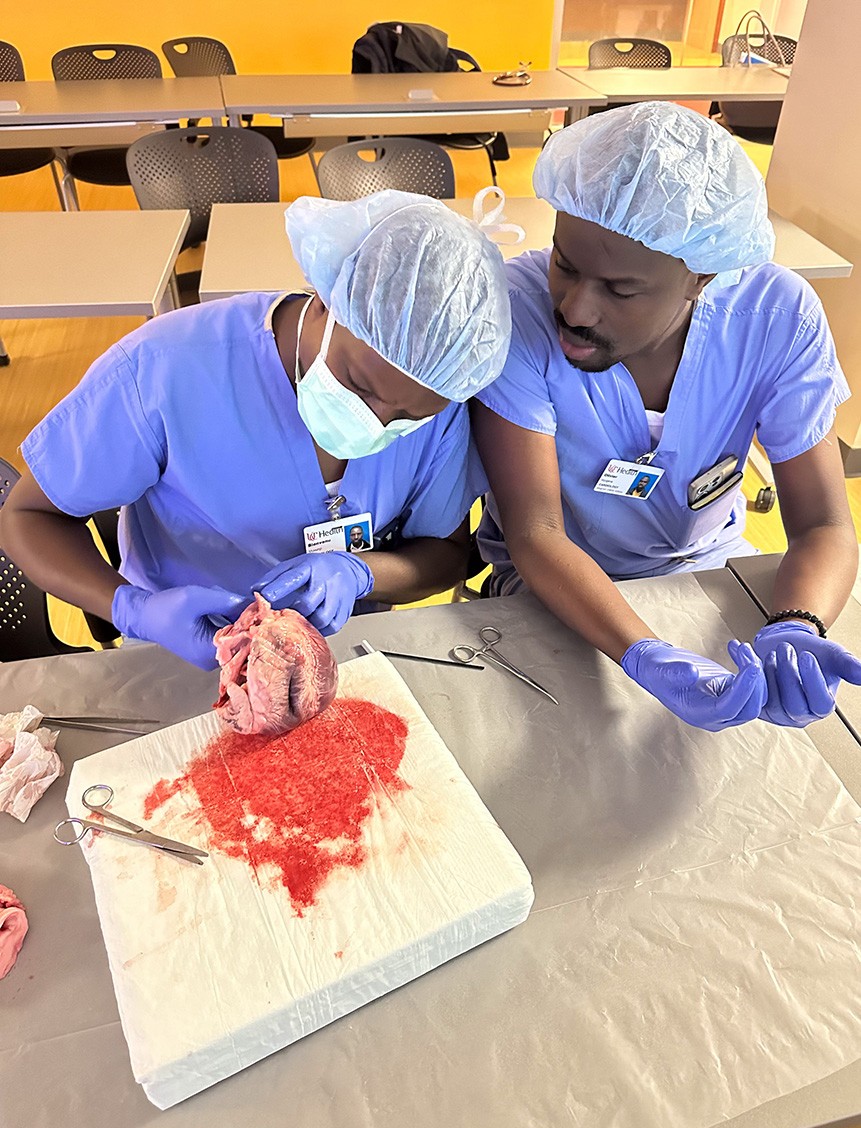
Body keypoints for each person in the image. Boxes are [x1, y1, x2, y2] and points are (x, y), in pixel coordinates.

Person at [472, 102, 861, 732]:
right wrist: (645, 654)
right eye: (564, 263)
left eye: (620, 290)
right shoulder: (517, 313)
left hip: (708, 569)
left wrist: (798, 621)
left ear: (701, 278)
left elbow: (822, 523)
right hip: (555, 586)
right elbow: (536, 530)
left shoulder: (775, 318)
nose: (575, 308)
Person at [0, 190, 510, 670]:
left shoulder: (443, 399)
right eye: (359, 384)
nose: (374, 421)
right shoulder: (167, 369)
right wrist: (132, 609)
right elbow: (28, 518)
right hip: (180, 659)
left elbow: (445, 554)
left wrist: (361, 575)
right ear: (329, 298)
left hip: (343, 660)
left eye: (406, 420)